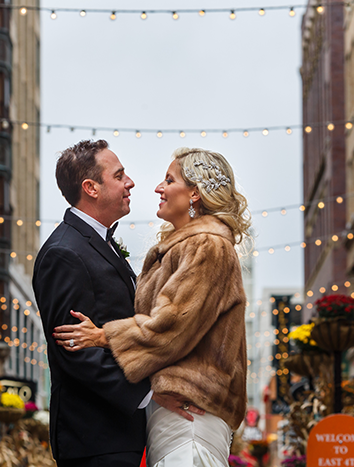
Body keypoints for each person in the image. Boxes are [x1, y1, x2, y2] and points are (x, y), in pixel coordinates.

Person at [53, 147, 250, 467]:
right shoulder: (186, 245)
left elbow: (174, 324)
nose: (158, 188)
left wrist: (104, 336)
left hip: (190, 420)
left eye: (169, 180)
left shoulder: (207, 245)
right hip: (177, 415)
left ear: (195, 194)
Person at [33, 140, 202, 467]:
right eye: (119, 175)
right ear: (91, 188)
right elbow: (74, 348)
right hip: (95, 439)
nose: (131, 183)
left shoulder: (99, 243)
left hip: (121, 435)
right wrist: (150, 394)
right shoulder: (64, 253)